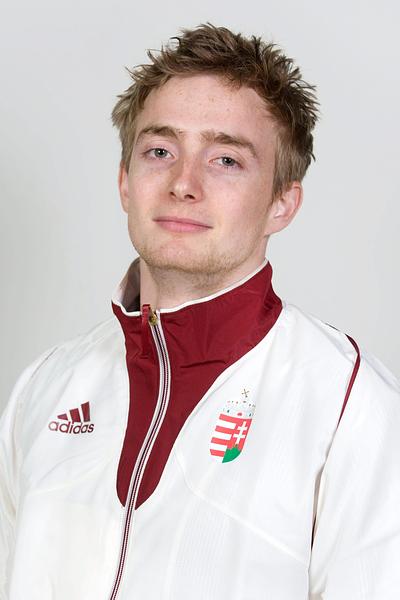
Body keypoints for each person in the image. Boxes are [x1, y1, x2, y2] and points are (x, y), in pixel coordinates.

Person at [1, 22, 399, 600]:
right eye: (160, 151)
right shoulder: (45, 387)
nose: (183, 184)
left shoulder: (349, 406)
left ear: (282, 202)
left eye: (226, 160)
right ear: (125, 182)